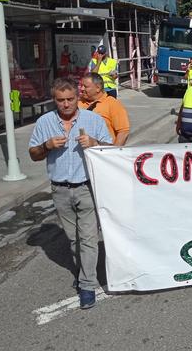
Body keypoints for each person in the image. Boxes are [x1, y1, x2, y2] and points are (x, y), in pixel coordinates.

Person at [28, 78, 112, 310]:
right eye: (60, 100)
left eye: (70, 99)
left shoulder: (92, 120)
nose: (66, 104)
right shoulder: (45, 122)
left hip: (86, 187)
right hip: (59, 189)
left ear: (78, 97)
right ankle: (84, 271)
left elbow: (113, 150)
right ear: (54, 100)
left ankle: (87, 284)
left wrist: (94, 142)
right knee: (74, 239)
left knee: (88, 238)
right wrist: (46, 146)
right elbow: (33, 154)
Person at [79, 73, 130, 146]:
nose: (82, 89)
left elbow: (123, 132)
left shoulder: (112, 103)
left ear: (98, 88)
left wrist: (112, 153)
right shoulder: (78, 102)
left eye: (85, 86)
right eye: (81, 86)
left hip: (102, 152)